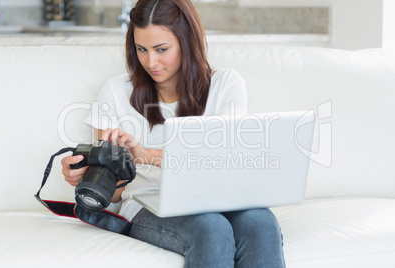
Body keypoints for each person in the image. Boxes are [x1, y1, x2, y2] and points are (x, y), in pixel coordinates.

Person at [61, 0, 286, 267]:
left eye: (161, 49)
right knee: (211, 228)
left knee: (261, 222)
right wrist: (88, 178)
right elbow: (116, 196)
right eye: (141, 49)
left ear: (187, 42)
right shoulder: (115, 92)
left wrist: (146, 155)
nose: (150, 62)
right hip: (147, 205)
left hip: (218, 198)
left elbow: (223, 161)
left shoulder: (226, 84)